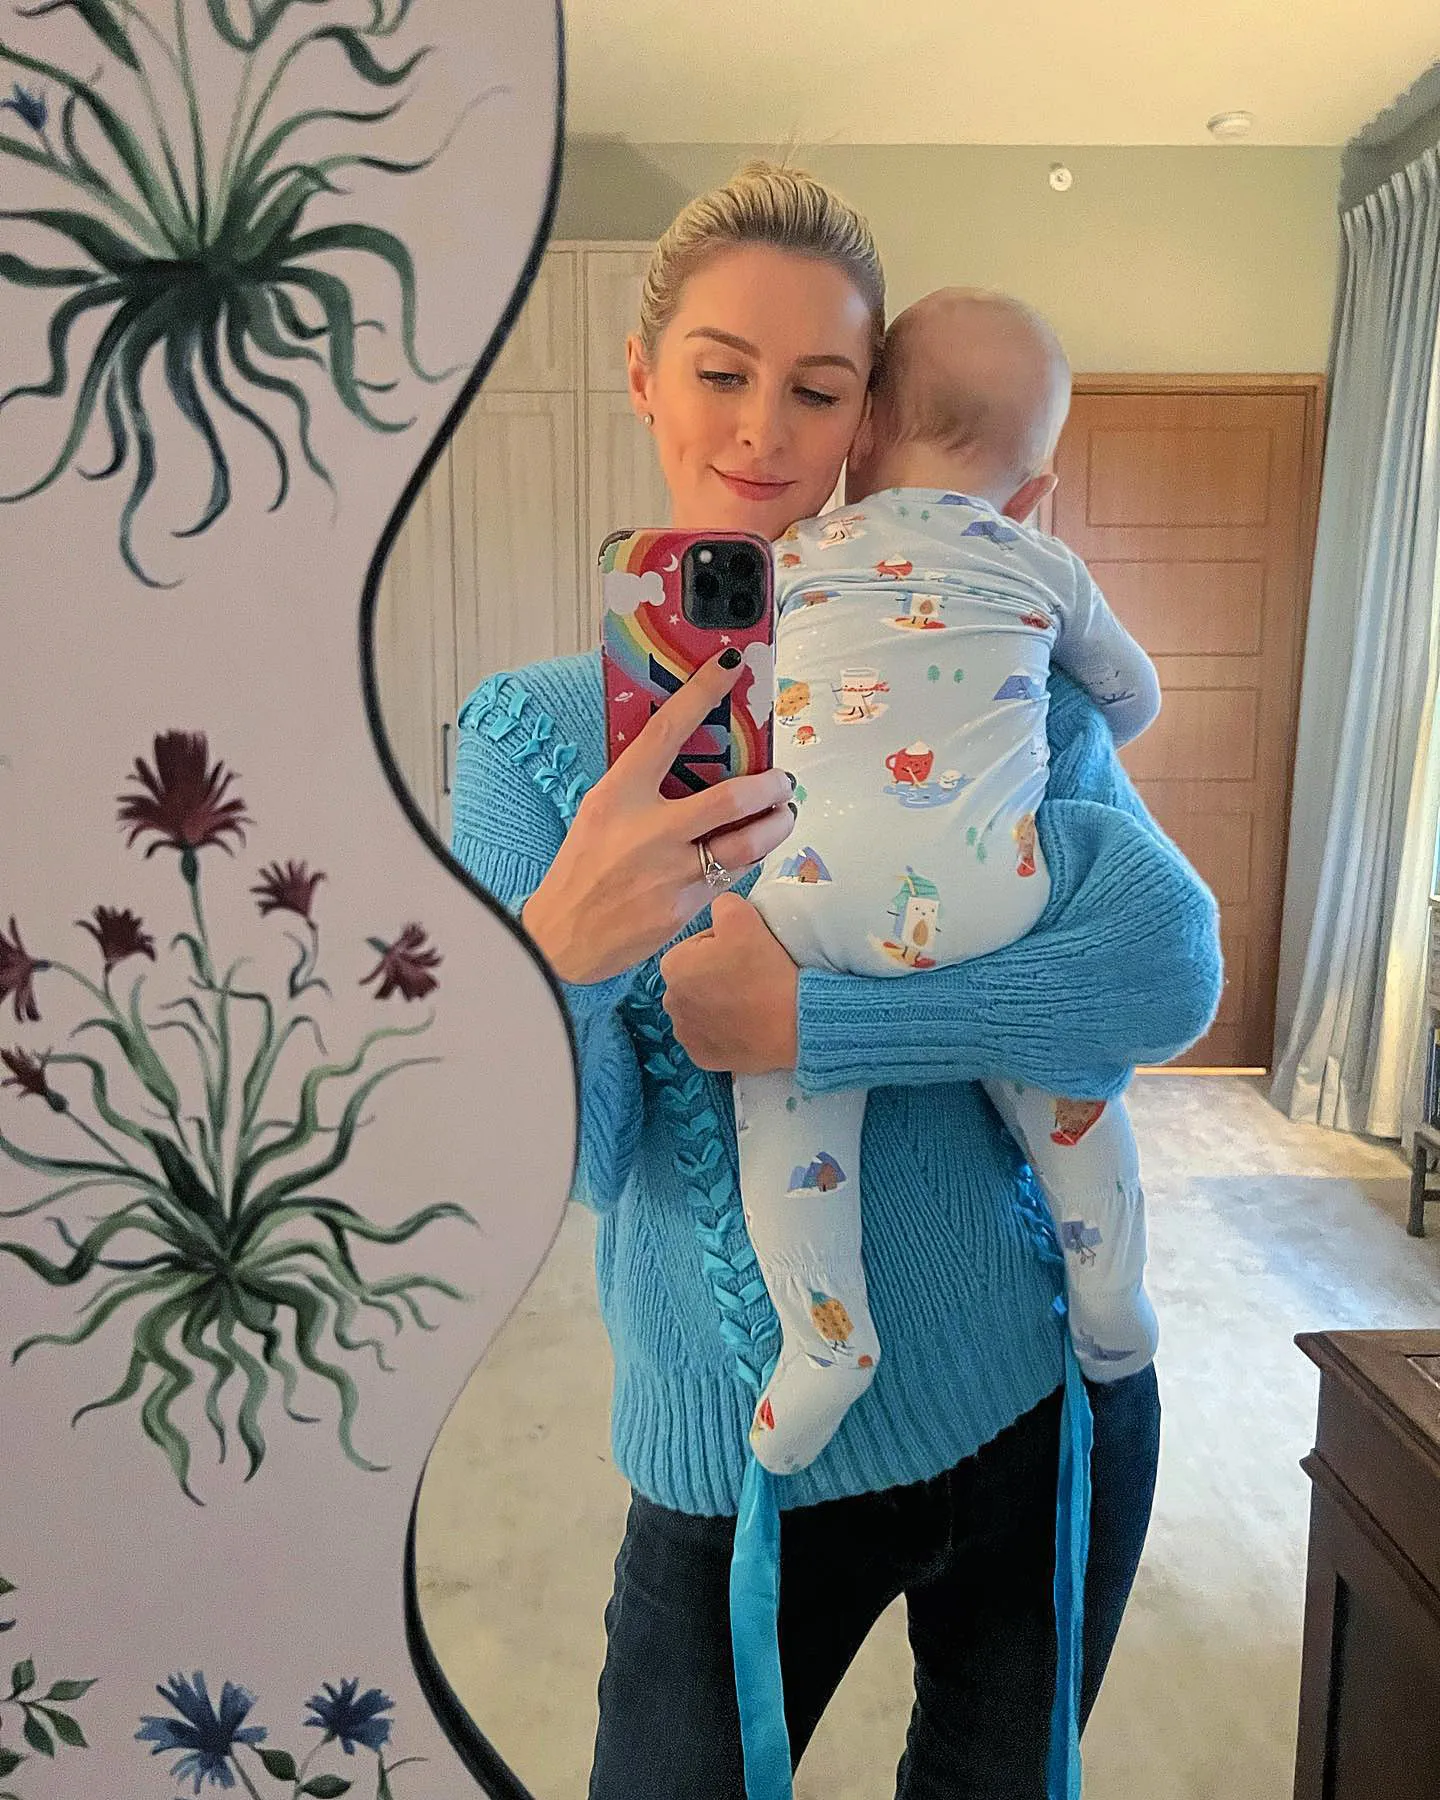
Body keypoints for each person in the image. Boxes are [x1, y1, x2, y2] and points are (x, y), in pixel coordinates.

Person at [449, 161, 1222, 1798]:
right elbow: (573, 1164)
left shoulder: (992, 664)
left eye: (818, 387)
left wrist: (825, 1023)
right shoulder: (533, 739)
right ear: (644, 375)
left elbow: (1162, 972)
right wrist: (560, 951)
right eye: (720, 371)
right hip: (737, 1455)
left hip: (1037, 1403)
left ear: (871, 417)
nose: (762, 432)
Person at [736, 286, 1165, 1481]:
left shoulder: (792, 557)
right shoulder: (1040, 560)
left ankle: (826, 1342)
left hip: (814, 898)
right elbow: (1133, 697)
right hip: (993, 894)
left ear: (864, 430)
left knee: (787, 1104)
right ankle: (1110, 1291)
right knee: (1065, 1082)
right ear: (1034, 490)